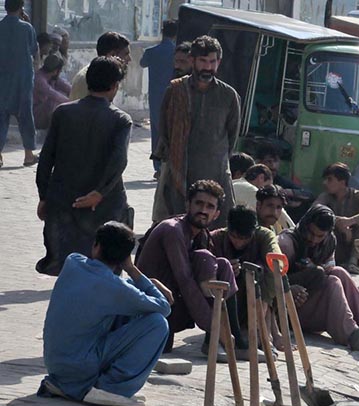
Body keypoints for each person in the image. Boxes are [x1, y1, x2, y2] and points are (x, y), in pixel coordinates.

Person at [38, 222, 171, 406]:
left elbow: (106, 287)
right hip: (80, 366)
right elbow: (164, 307)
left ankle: (68, 385)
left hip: (55, 366)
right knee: (157, 323)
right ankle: (110, 389)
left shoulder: (72, 262)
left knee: (127, 311)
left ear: (96, 246)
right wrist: (136, 273)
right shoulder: (117, 288)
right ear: (125, 258)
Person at [36, 56, 132, 277]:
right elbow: (118, 162)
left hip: (64, 204)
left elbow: (46, 159)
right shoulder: (120, 120)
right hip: (104, 208)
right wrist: (99, 193)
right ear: (115, 86)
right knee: (106, 273)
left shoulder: (63, 113)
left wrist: (44, 196)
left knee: (69, 271)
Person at [137, 180, 242, 356]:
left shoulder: (202, 235)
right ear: (188, 205)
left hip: (175, 302)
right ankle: (219, 336)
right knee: (206, 260)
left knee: (222, 265)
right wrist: (215, 327)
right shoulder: (173, 230)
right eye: (199, 203)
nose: (203, 210)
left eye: (209, 207)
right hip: (155, 305)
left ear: (216, 214)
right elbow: (184, 279)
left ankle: (225, 340)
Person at [153, 35, 240, 228]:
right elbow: (165, 131)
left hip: (216, 173)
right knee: (175, 226)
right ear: (192, 60)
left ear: (219, 62)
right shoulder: (176, 91)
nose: (208, 67)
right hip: (180, 174)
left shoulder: (228, 95)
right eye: (203, 61)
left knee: (218, 230)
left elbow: (232, 136)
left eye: (212, 61)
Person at [277, 204, 359, 350]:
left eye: (319, 236)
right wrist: (289, 289)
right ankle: (350, 335)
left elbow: (328, 268)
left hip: (311, 301)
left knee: (339, 273)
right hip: (288, 310)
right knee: (332, 282)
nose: (313, 240)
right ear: (305, 225)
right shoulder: (287, 243)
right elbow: (270, 281)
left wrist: (313, 268)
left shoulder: (329, 243)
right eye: (311, 233)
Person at [210, 205, 280, 337]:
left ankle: (268, 332)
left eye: (245, 238)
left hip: (258, 297)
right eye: (235, 237)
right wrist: (224, 270)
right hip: (227, 299)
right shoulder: (216, 238)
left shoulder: (264, 236)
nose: (239, 243)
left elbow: (275, 263)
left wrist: (264, 301)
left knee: (262, 271)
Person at [314, 162, 359, 274]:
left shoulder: (358, 195)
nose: (325, 183)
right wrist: (339, 223)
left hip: (354, 243)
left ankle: (354, 260)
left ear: (342, 182)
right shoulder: (326, 197)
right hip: (335, 245)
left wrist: (350, 221)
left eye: (330, 179)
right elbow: (314, 210)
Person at [0, 0, 38, 168]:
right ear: (21, 8)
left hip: (2, 81)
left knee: (0, 118)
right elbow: (33, 49)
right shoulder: (27, 28)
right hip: (22, 81)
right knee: (25, 118)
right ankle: (29, 155)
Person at [141, 20, 178, 176]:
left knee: (156, 130)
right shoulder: (178, 52)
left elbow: (142, 63)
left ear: (162, 31)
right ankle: (168, 163)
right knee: (172, 130)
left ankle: (158, 165)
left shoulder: (151, 51)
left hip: (156, 96)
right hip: (174, 95)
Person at [255, 141, 313, 221]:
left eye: (276, 161)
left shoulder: (280, 180)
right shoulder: (253, 179)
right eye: (269, 161)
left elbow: (308, 194)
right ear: (259, 162)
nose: (273, 166)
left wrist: (287, 193)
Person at [70, 31, 131, 101]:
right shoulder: (89, 78)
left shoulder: (101, 74)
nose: (129, 59)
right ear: (112, 55)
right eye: (126, 54)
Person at [33, 53, 71, 129]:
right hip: (35, 115)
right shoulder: (39, 79)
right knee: (53, 103)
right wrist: (73, 101)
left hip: (43, 113)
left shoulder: (52, 77)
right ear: (55, 71)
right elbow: (54, 95)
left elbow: (67, 87)